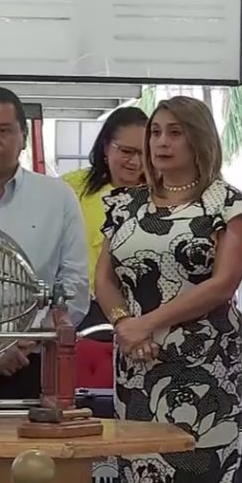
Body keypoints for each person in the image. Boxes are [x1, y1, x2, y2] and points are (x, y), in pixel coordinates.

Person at [95, 96, 242, 483]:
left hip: (205, 362)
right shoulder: (125, 206)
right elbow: (104, 277)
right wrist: (127, 321)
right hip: (138, 364)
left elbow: (222, 284)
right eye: (155, 134)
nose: (161, 144)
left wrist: (150, 323)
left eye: (174, 133)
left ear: (199, 140)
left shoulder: (231, 205)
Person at [0, 86, 89, 399]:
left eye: (3, 130)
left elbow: (74, 286)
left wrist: (25, 338)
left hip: (35, 360)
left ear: (24, 136)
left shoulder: (58, 197)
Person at [60, 106, 148, 332]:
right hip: (81, 309)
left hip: (142, 313)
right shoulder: (71, 187)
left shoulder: (161, 195)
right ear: (106, 147)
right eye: (126, 151)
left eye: (144, 153)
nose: (135, 162)